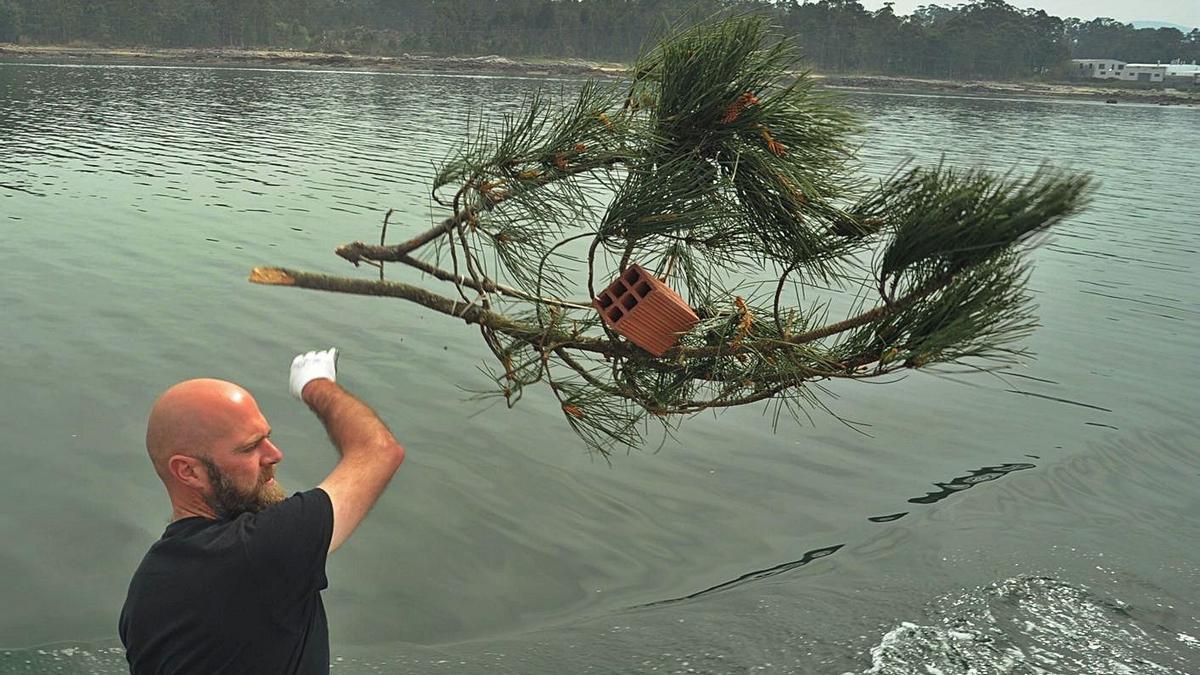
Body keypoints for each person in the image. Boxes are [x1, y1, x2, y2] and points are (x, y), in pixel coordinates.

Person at [119, 347, 404, 674]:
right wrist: (314, 384)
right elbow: (379, 451)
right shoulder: (257, 551)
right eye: (249, 447)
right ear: (189, 472)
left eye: (267, 438)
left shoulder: (145, 591)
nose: (274, 454)